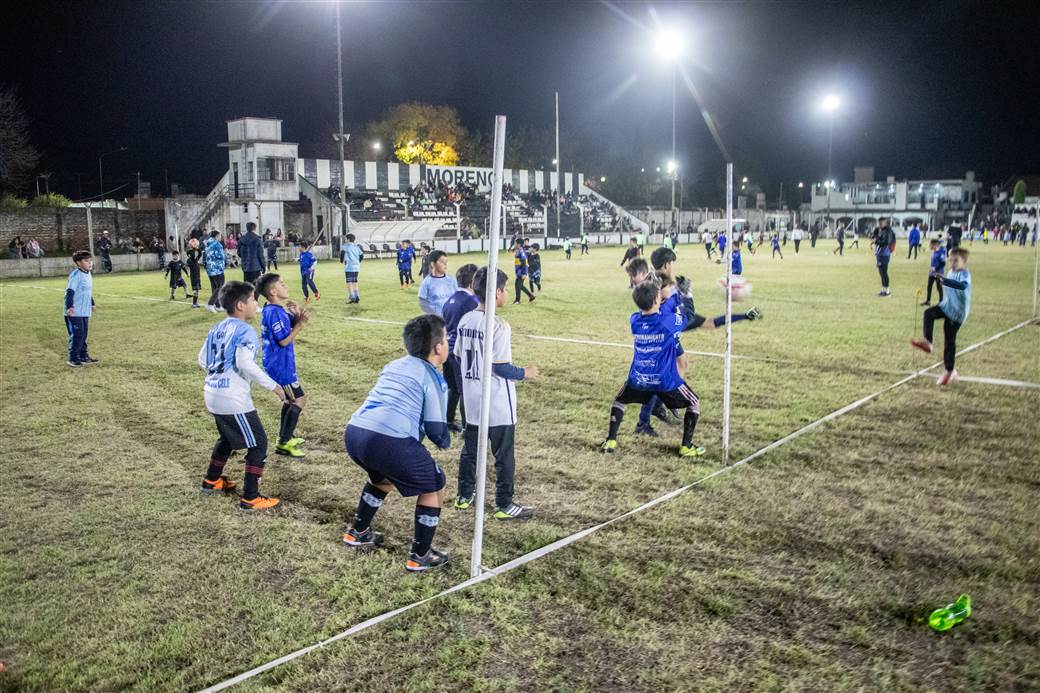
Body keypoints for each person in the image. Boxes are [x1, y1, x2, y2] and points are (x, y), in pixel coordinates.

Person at [341, 314, 452, 572]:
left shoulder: (394, 365)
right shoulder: (433, 377)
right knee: (435, 485)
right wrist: (447, 439)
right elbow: (437, 430)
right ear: (437, 348)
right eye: (446, 339)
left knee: (383, 478)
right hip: (388, 439)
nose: (448, 344)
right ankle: (420, 555)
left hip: (356, 433)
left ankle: (357, 532)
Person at [453, 267, 539, 520]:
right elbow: (500, 366)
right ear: (498, 292)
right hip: (498, 402)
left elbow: (459, 355)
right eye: (505, 289)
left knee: (471, 450)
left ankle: (464, 495)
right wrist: (526, 372)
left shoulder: (466, 319)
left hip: (472, 399)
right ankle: (504, 504)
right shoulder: (499, 325)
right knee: (504, 454)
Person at [198, 281, 287, 511]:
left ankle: (211, 480)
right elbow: (244, 363)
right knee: (258, 443)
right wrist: (274, 386)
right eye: (253, 301)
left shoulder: (216, 328)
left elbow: (202, 359)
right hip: (232, 397)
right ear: (240, 305)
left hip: (212, 393)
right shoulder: (245, 330)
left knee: (228, 439)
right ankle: (251, 497)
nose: (256, 305)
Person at [600, 279, 705, 458]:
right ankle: (686, 446)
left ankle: (610, 439)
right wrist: (686, 295)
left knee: (619, 401)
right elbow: (689, 315)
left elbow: (650, 313)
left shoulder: (634, 320)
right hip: (665, 381)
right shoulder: (668, 321)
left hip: (639, 378)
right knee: (694, 402)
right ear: (657, 300)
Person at [257, 273, 310, 459]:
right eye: (281, 284)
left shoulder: (271, 309)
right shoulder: (276, 313)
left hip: (276, 363)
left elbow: (288, 326)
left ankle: (284, 439)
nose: (285, 286)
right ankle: (284, 443)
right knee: (299, 400)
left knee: (290, 401)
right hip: (281, 366)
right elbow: (283, 341)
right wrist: (301, 325)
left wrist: (296, 315)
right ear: (273, 291)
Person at [911, 248, 972, 385]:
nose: (952, 263)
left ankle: (950, 371)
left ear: (964, 262)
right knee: (928, 313)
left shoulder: (965, 275)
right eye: (951, 260)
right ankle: (928, 342)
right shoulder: (950, 272)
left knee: (949, 339)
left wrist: (944, 280)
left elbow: (962, 286)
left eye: (956, 260)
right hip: (947, 306)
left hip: (957, 313)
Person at [441, 263, 479, 434]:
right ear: (472, 283)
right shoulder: (471, 301)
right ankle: (466, 427)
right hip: (461, 350)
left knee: (453, 387)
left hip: (447, 348)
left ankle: (448, 420)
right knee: (466, 389)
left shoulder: (449, 300)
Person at [64, 250, 97, 367]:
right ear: (78, 263)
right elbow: (70, 291)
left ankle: (83, 356)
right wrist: (69, 306)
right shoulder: (76, 275)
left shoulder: (88, 274)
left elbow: (87, 291)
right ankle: (73, 358)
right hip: (74, 311)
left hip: (84, 311)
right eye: (86, 261)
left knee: (84, 334)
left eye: (90, 260)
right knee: (78, 334)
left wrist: (92, 303)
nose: (90, 263)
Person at [418, 250, 458, 315]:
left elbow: (457, 298)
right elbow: (422, 302)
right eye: (442, 262)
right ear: (433, 264)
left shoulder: (452, 280)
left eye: (446, 262)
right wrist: (434, 316)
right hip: (435, 321)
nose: (445, 264)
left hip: (450, 318)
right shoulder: (426, 282)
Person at [871, 218, 895, 297]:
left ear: (885, 223)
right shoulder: (880, 230)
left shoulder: (888, 231)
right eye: (879, 223)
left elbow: (886, 242)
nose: (879, 225)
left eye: (881, 223)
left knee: (884, 272)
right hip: (879, 254)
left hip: (884, 254)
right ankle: (883, 290)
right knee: (881, 273)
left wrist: (876, 241)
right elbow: (873, 236)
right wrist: (875, 234)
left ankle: (888, 291)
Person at [204, 230, 226, 313]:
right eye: (220, 235)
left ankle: (218, 305)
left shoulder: (207, 243)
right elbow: (220, 256)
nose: (221, 237)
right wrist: (226, 256)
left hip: (210, 268)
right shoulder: (217, 244)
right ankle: (211, 304)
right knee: (220, 286)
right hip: (217, 268)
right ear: (217, 236)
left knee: (214, 287)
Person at [339, 233, 364, 304]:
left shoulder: (345, 246)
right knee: (354, 282)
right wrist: (358, 262)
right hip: (356, 267)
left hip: (349, 267)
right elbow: (362, 256)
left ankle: (352, 297)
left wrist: (341, 261)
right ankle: (356, 296)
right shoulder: (357, 247)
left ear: (348, 239)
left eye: (346, 239)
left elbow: (342, 254)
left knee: (349, 282)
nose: (345, 240)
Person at [921, 238, 947, 306]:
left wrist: (935, 268)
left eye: (931, 245)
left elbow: (943, 263)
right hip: (932, 273)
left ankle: (941, 302)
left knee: (939, 287)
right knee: (929, 286)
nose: (930, 246)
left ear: (935, 245)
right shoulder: (933, 251)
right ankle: (928, 301)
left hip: (939, 273)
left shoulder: (941, 252)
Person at [511, 238, 536, 304]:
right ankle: (531, 296)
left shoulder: (521, 252)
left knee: (517, 285)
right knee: (520, 285)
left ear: (519, 244)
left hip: (521, 272)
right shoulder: (518, 251)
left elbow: (524, 263)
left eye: (515, 243)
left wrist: (524, 273)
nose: (514, 244)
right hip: (519, 272)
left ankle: (517, 300)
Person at [185, 237, 203, 308]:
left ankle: (195, 303)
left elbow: (200, 254)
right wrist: (193, 247)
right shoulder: (190, 260)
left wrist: (197, 248)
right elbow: (190, 254)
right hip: (194, 275)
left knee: (197, 289)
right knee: (196, 289)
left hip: (197, 275)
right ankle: (194, 303)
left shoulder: (195, 259)